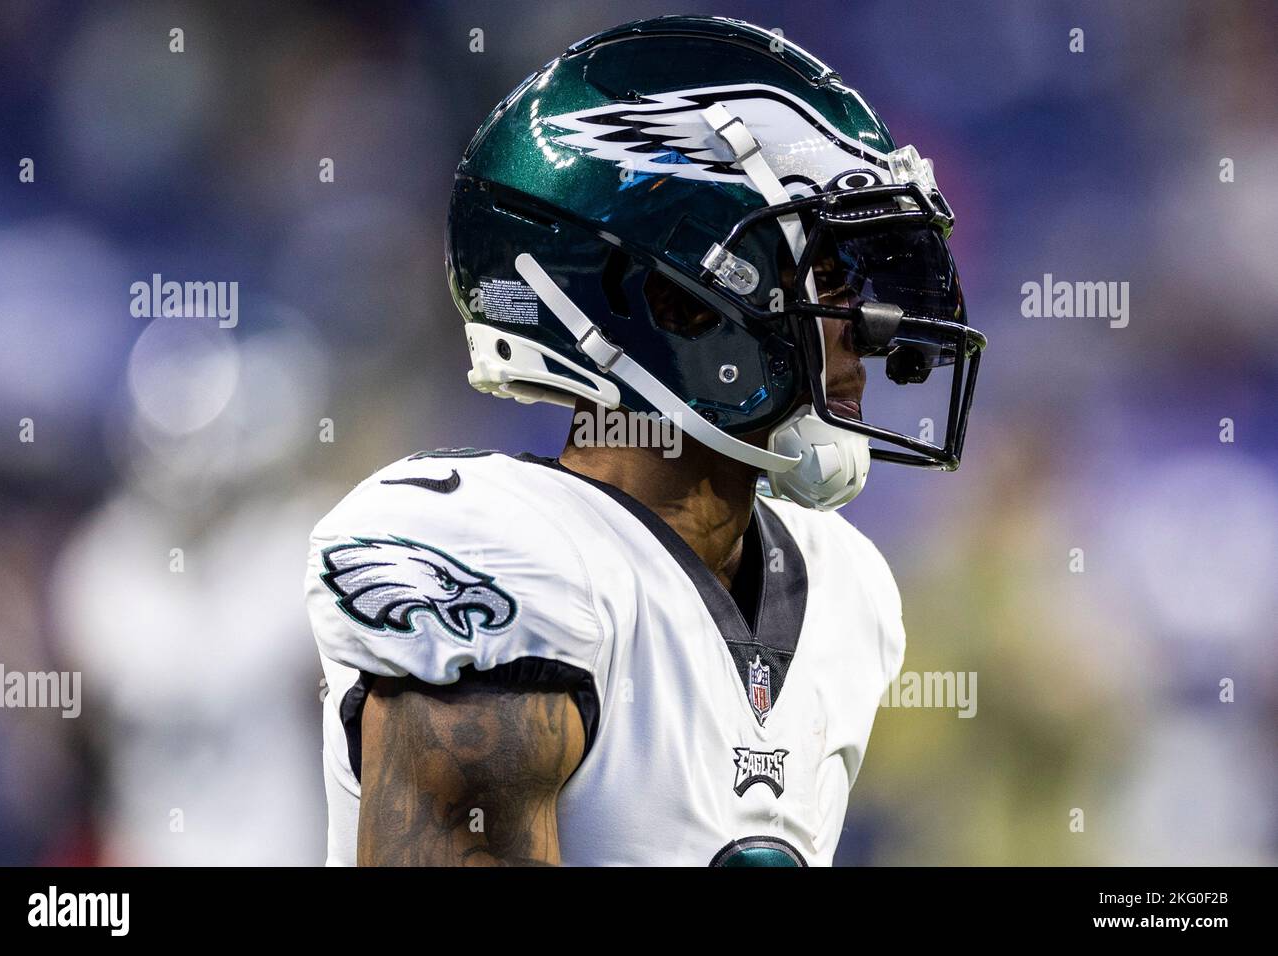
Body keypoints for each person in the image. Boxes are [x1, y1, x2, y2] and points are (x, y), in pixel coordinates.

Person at [305, 15, 986, 866]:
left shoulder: (849, 593)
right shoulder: (508, 559)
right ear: (675, 300)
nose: (872, 326)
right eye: (828, 275)